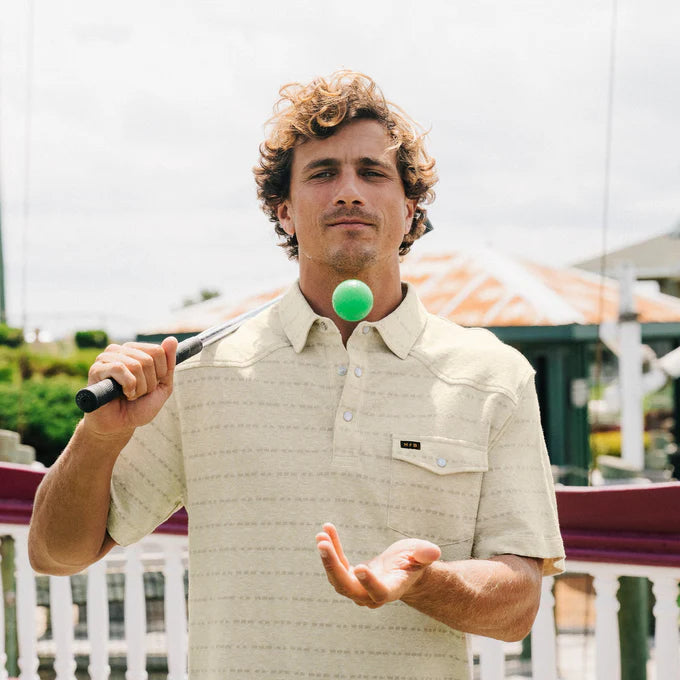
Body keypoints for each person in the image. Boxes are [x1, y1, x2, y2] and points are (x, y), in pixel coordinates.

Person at [29, 71, 565, 679]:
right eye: (321, 173)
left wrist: (421, 582)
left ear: (410, 209)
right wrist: (100, 437)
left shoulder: (494, 375)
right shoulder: (199, 373)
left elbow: (517, 605)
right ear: (284, 213)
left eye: (372, 172)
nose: (348, 192)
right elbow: (54, 553)